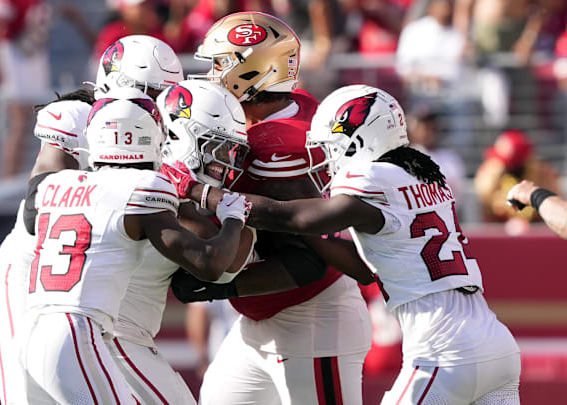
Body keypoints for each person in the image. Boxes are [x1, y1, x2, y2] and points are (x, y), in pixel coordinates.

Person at [171, 84, 521, 404]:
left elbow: (293, 217)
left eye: (331, 146)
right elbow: (362, 269)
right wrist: (307, 239)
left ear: (359, 139)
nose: (328, 157)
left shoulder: (372, 176)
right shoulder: (424, 173)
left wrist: (198, 191)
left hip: (443, 351)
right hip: (497, 344)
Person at [183, 12, 373, 405]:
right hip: (257, 323)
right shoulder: (297, 104)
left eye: (222, 63)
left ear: (252, 69)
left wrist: (217, 285)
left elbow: (305, 254)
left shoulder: (278, 147)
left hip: (311, 316)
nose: (213, 73)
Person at [20, 91, 250, 404]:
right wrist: (234, 217)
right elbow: (208, 263)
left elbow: (34, 215)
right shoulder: (141, 188)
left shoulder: (55, 185)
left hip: (32, 332)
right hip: (78, 332)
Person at [0, 89, 94, 405]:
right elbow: (37, 204)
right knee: (25, 396)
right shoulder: (79, 115)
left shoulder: (143, 125)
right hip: (26, 273)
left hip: (70, 285)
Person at [0, 0, 52, 177]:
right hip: (12, 54)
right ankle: (7, 177)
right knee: (17, 122)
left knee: (28, 122)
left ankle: (17, 175)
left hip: (30, 53)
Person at [474, 129, 560, 232]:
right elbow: (485, 194)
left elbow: (552, 206)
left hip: (538, 233)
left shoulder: (541, 174)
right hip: (498, 232)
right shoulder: (493, 170)